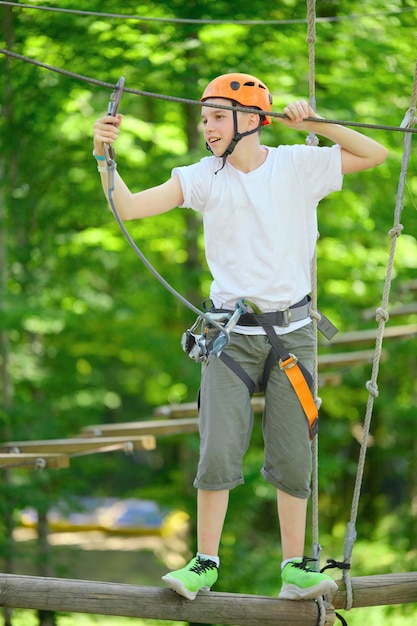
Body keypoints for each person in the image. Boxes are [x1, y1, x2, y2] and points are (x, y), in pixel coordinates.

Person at [93, 72, 388, 601]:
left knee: (294, 453)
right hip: (229, 336)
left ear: (250, 121)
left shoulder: (299, 165)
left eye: (216, 117)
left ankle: (296, 567)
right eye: (204, 118)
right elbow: (130, 207)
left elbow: (375, 154)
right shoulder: (204, 176)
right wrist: (104, 158)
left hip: (293, 336)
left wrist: (319, 123)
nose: (205, 127)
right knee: (218, 451)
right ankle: (204, 563)